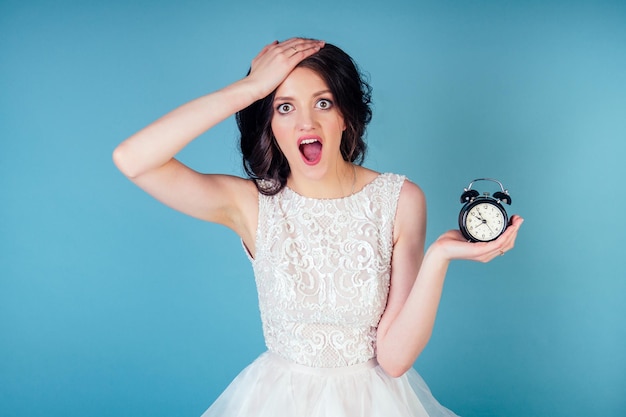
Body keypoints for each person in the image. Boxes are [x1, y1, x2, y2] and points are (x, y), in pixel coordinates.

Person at [113, 38, 523, 417]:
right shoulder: (251, 204)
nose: (305, 122)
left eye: (323, 103)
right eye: (285, 107)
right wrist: (252, 89)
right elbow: (133, 159)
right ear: (270, 124)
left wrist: (439, 257)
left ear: (345, 116)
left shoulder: (400, 200)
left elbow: (395, 360)